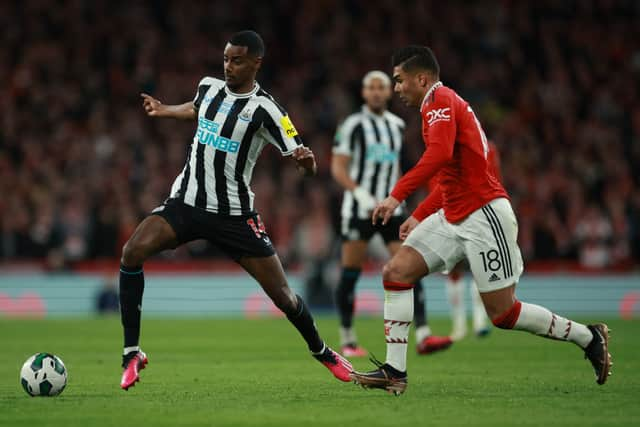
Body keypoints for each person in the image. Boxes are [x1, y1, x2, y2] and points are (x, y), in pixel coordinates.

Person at [349, 45, 612, 395]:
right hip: (453, 213)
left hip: (484, 215)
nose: (396, 88)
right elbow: (451, 177)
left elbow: (439, 156)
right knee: (396, 272)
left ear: (422, 78)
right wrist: (419, 214)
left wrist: (397, 194)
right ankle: (395, 371)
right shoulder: (434, 106)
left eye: (399, 80)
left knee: (503, 315)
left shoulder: (440, 99)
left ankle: (587, 336)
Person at [118, 30, 352, 390]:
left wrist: (307, 164)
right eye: (226, 58)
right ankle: (132, 353)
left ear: (256, 62)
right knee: (132, 251)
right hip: (187, 203)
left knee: (285, 297)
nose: (228, 66)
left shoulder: (268, 110)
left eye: (237, 60)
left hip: (234, 216)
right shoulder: (208, 87)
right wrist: (165, 110)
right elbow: (196, 110)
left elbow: (301, 157)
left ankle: (323, 352)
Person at [331, 70, 452, 357]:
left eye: (381, 87)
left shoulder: (397, 125)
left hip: (391, 208)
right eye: (370, 87)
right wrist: (358, 192)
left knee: (410, 266)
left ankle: (423, 334)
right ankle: (348, 339)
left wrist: (400, 199)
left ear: (388, 93)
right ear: (364, 93)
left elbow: (397, 167)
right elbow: (338, 166)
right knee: (350, 272)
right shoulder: (352, 125)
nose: (375, 92)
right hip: (358, 209)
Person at [444, 142, 501, 340]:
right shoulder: (443, 145)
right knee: (454, 268)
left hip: (478, 211)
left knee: (481, 266)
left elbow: (493, 179)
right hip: (450, 210)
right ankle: (458, 324)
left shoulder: (487, 148)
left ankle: (479, 321)